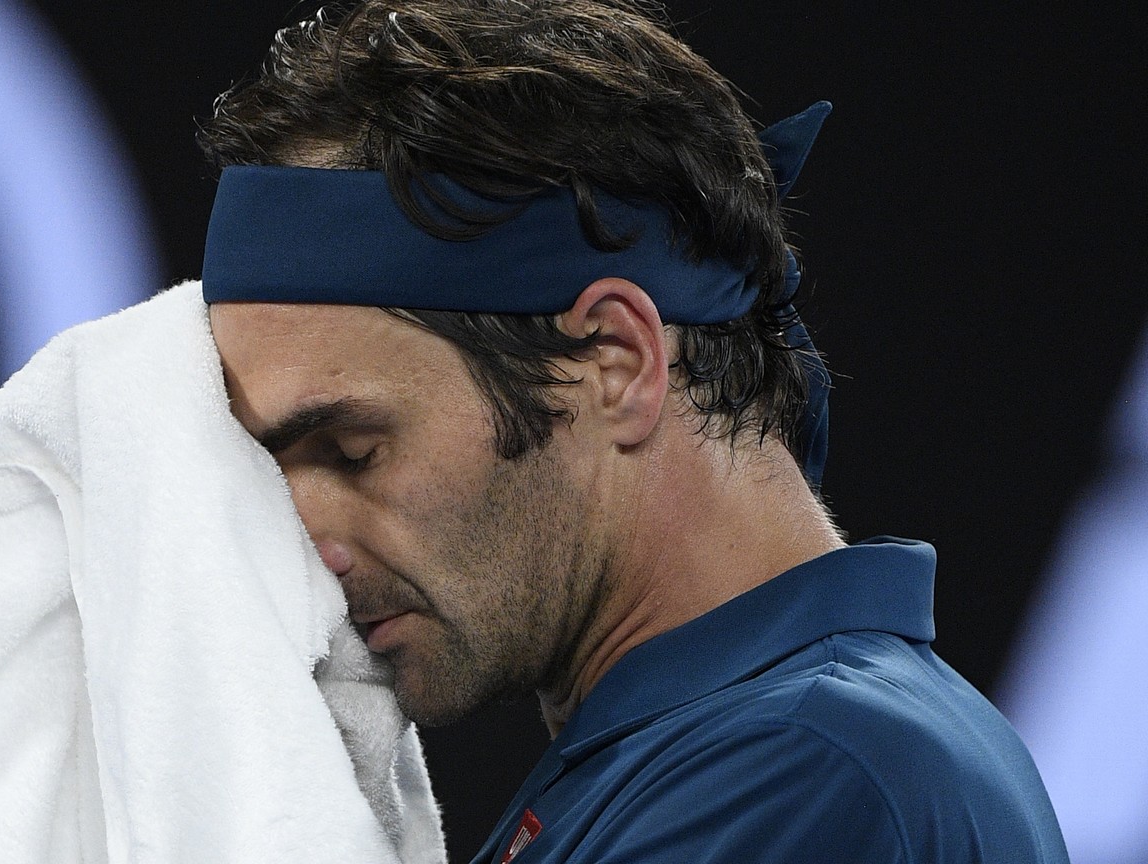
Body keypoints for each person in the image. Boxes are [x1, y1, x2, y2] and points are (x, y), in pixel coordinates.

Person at [198, 1, 1069, 861]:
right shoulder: (718, 754)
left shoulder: (802, 774)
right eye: (268, 471)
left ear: (617, 361)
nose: (307, 546)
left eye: (355, 453)